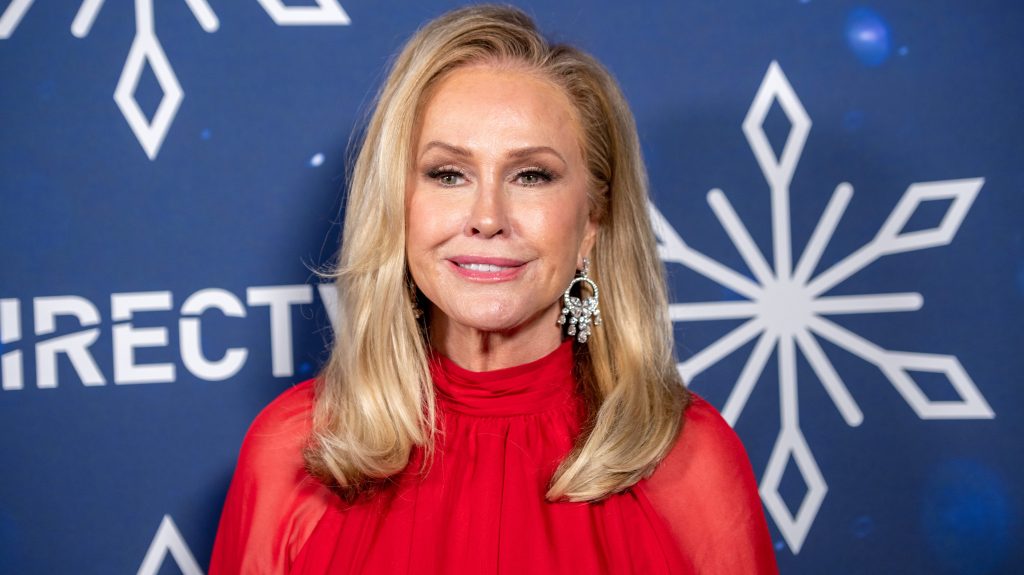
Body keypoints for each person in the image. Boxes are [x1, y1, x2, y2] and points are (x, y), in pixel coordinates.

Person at [210, 4, 778, 574]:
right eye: (447, 174)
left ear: (593, 220)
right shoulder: (295, 451)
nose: (487, 217)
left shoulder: (690, 460)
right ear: (396, 206)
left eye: (531, 175)